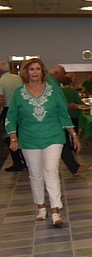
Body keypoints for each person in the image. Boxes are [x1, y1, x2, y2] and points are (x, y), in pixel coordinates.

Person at [6, 58, 80, 226]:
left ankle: (55, 210)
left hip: (53, 137)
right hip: (29, 139)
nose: (34, 72)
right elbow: (11, 117)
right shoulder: (18, 93)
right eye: (31, 69)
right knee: (36, 174)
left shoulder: (53, 91)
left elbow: (63, 113)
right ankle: (41, 207)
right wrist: (13, 136)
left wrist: (73, 134)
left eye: (37, 69)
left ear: (42, 72)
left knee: (51, 171)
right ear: (26, 72)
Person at [59, 75, 90, 176]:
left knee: (65, 138)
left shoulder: (59, 91)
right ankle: (75, 147)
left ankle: (70, 147)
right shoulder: (73, 91)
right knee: (74, 133)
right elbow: (79, 102)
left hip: (62, 118)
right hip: (73, 116)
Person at [1, 61, 26, 172]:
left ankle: (17, 162)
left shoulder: (1, 81)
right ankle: (26, 160)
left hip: (8, 110)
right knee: (22, 135)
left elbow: (1, 100)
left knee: (10, 137)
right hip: (22, 110)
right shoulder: (18, 78)